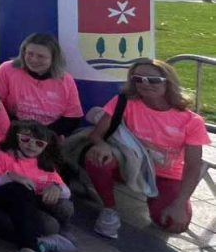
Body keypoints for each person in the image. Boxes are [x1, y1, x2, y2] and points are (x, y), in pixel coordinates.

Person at [85, 59, 210, 239]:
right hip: (130, 165)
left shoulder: (191, 120)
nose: (145, 84)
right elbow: (96, 135)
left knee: (173, 224)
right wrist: (101, 144)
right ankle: (109, 209)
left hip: (166, 174)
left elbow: (192, 166)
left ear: (169, 82)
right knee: (96, 157)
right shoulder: (124, 102)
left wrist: (180, 203)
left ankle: (158, 199)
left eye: (153, 80)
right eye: (138, 79)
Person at [0, 121, 75, 252]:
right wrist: (11, 177)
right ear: (16, 138)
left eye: (38, 143)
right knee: (23, 190)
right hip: (1, 201)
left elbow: (66, 192)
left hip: (27, 206)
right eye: (26, 140)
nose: (31, 145)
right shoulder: (5, 156)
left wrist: (54, 187)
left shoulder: (45, 163)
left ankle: (39, 242)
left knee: (60, 213)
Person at [0, 33, 83, 135]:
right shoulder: (7, 70)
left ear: (53, 59)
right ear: (23, 53)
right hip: (11, 130)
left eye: (41, 56)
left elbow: (72, 118)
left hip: (49, 136)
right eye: (30, 54)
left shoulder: (66, 80)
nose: (34, 60)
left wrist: (42, 135)